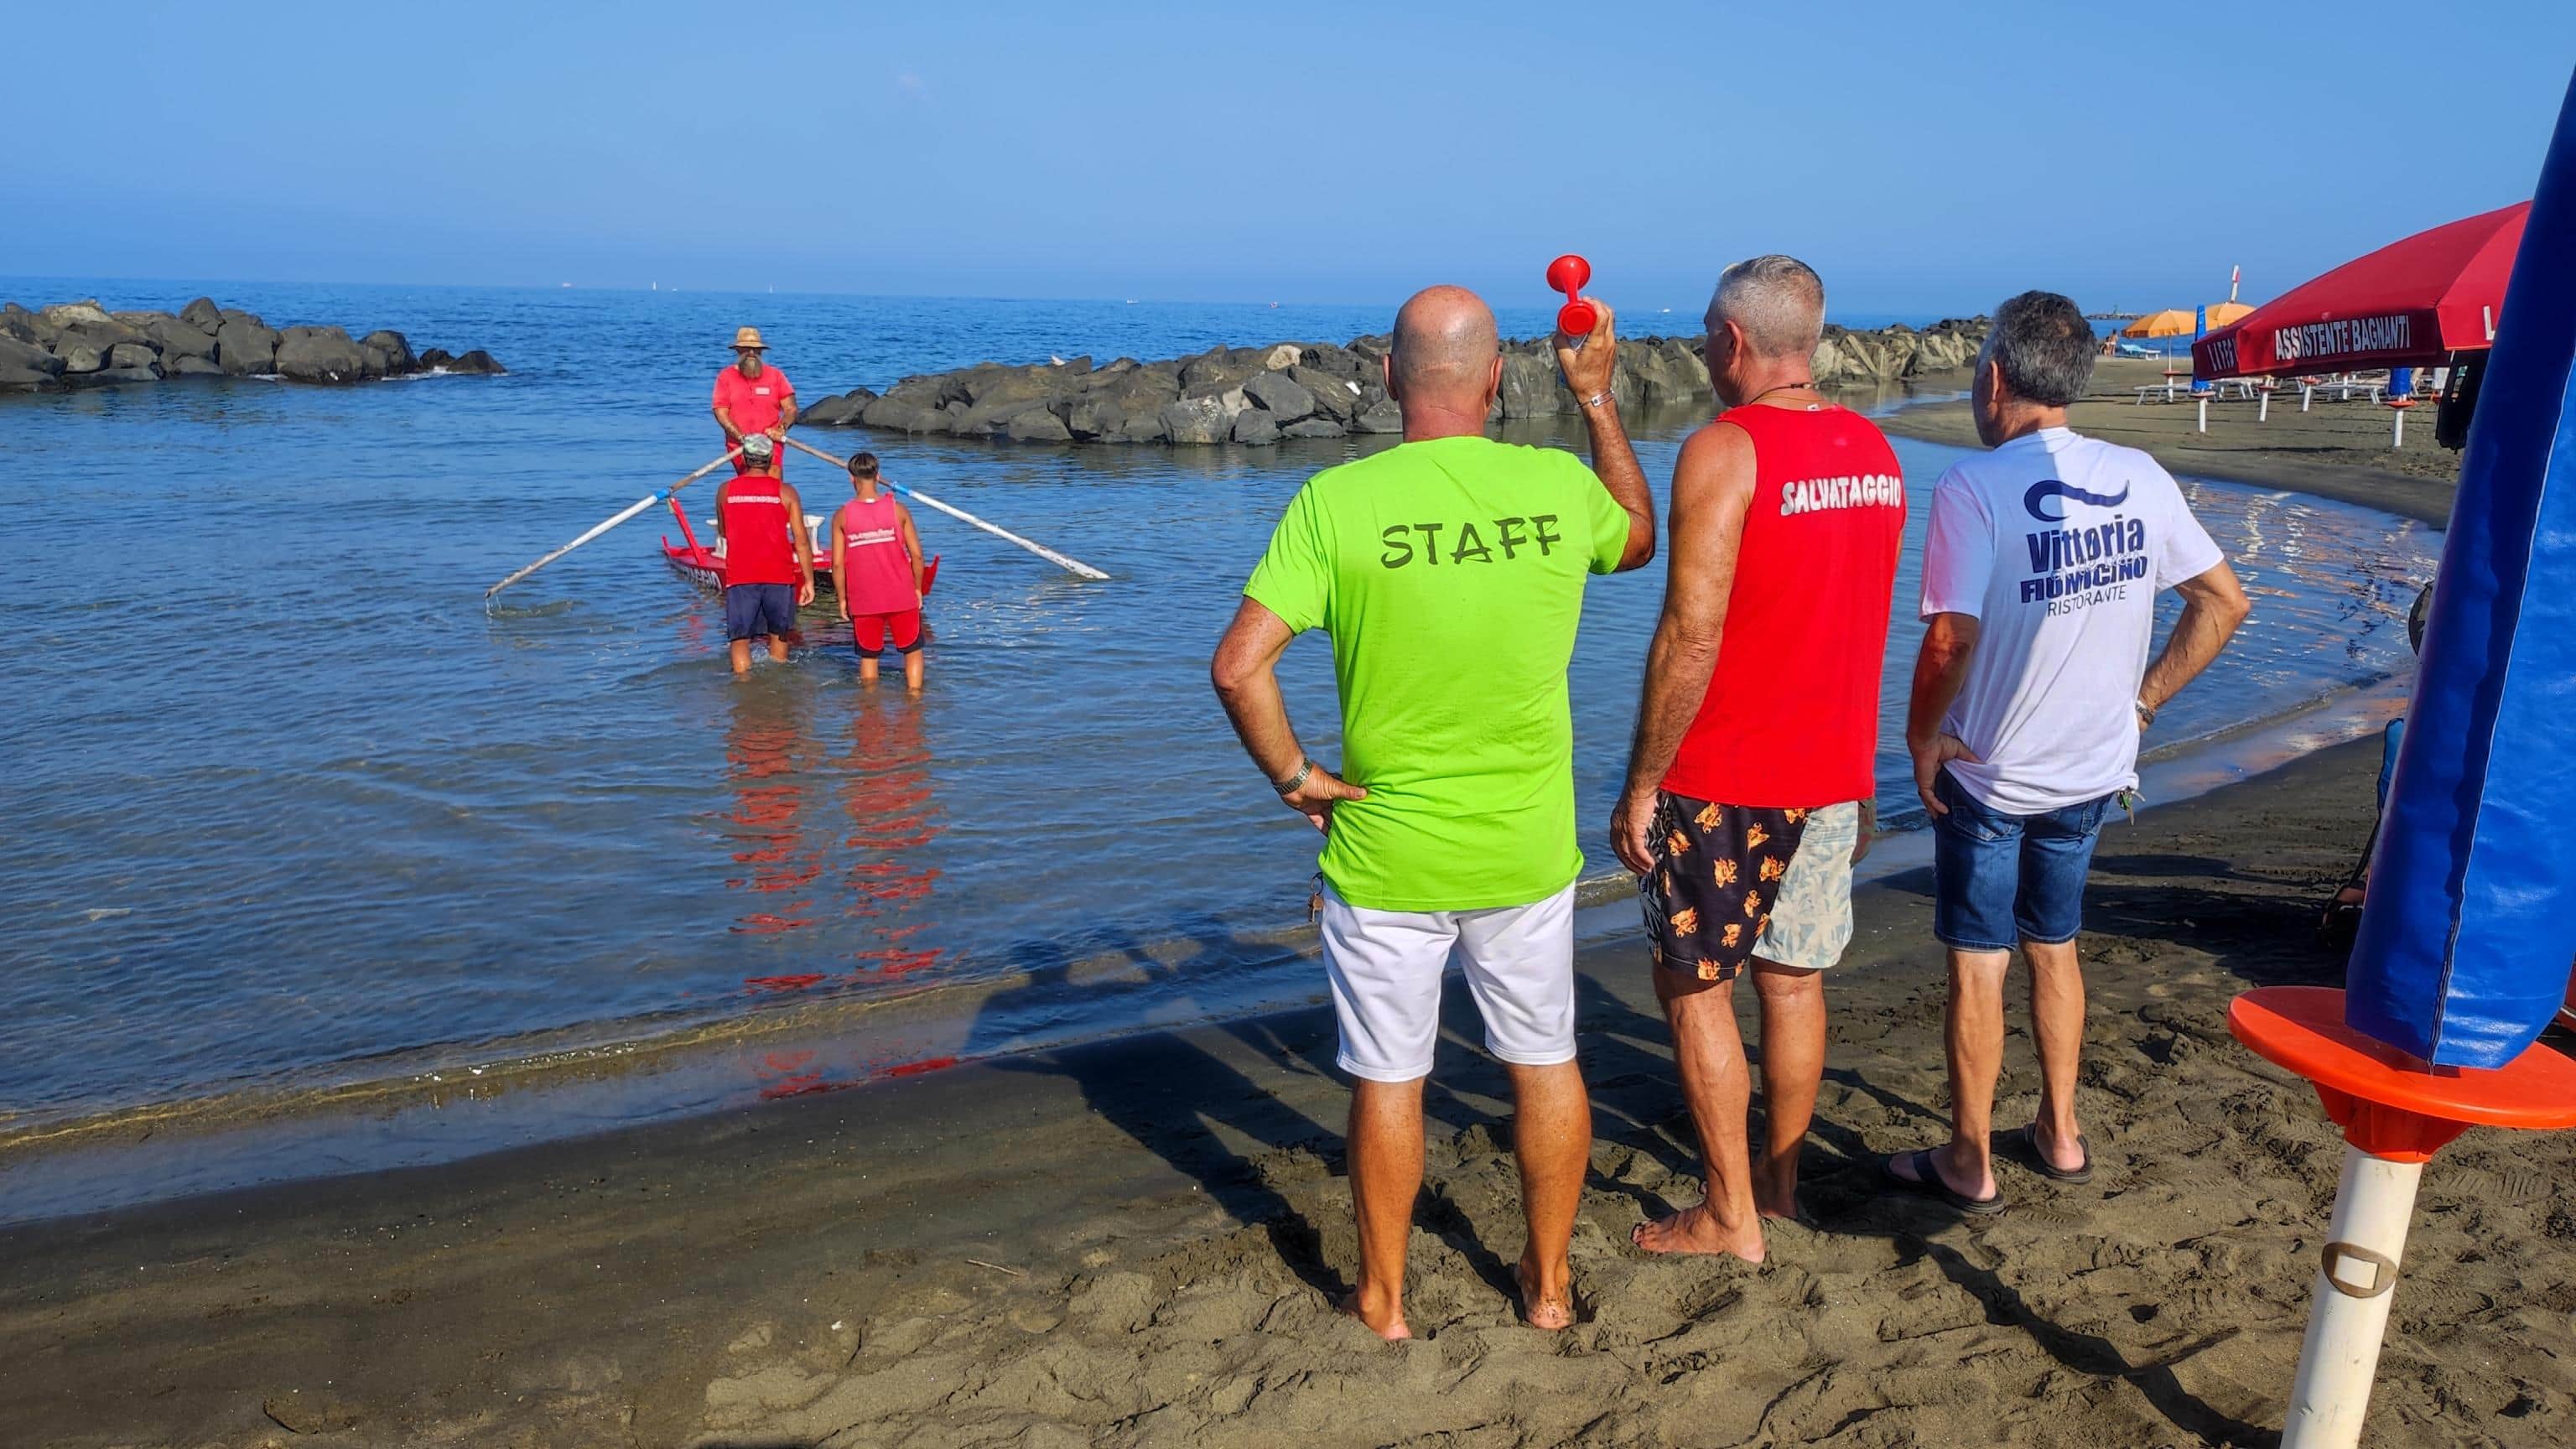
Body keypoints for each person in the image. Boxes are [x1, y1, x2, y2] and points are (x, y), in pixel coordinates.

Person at [1209, 284, 1654, 1340]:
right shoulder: (1554, 485)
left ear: (1392, 379)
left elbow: (1238, 669)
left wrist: (1296, 778)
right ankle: (1545, 1290)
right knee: (1544, 1062)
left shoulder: (1335, 502)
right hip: (1524, 850)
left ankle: (1386, 1300)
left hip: (1385, 854)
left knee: (1389, 1078)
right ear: (1498, 378)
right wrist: (1595, 402)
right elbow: (1637, 538)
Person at [1560, 256, 1907, 1262]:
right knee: (1793, 984)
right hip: (1834, 767)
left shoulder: (1725, 449)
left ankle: (1728, 1214)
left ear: (1733, 344)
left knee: (1695, 986)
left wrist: (1640, 783)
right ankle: (1782, 1190)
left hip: (1728, 777)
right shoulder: (1874, 452)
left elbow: (1692, 632)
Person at [1893, 290, 2250, 1213]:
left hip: (1994, 775)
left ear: (1998, 379)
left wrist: (1921, 736)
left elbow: (1947, 642)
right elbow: (2224, 602)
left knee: (1980, 961)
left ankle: (1970, 1159)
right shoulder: (2138, 472)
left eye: (1978, 367)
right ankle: (2059, 1131)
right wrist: (2143, 702)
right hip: (2095, 769)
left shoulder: (1974, 487)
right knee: (2055, 945)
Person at [714, 434, 816, 674]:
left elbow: (724, 531)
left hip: (741, 575)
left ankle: (743, 688)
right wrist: (809, 580)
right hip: (779, 575)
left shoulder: (725, 490)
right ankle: (777, 689)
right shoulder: (786, 492)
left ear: (744, 459)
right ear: (770, 459)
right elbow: (801, 542)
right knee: (779, 636)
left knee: (740, 639)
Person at [830, 451, 928, 690]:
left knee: (869, 656)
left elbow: (837, 564)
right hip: (901, 595)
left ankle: (871, 710)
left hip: (865, 600)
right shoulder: (898, 510)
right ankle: (915, 699)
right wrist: (917, 589)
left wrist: (842, 599)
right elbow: (917, 555)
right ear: (878, 476)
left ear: (851, 479)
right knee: (912, 651)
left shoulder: (842, 516)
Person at [714, 326, 796, 476]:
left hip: (771, 441)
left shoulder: (776, 375)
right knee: (749, 479)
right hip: (740, 443)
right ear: (738, 350)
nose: (751, 353)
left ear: (761, 352)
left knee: (773, 475)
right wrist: (741, 437)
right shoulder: (725, 377)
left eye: (756, 349)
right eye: (746, 349)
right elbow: (721, 412)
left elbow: (791, 409)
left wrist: (781, 429)